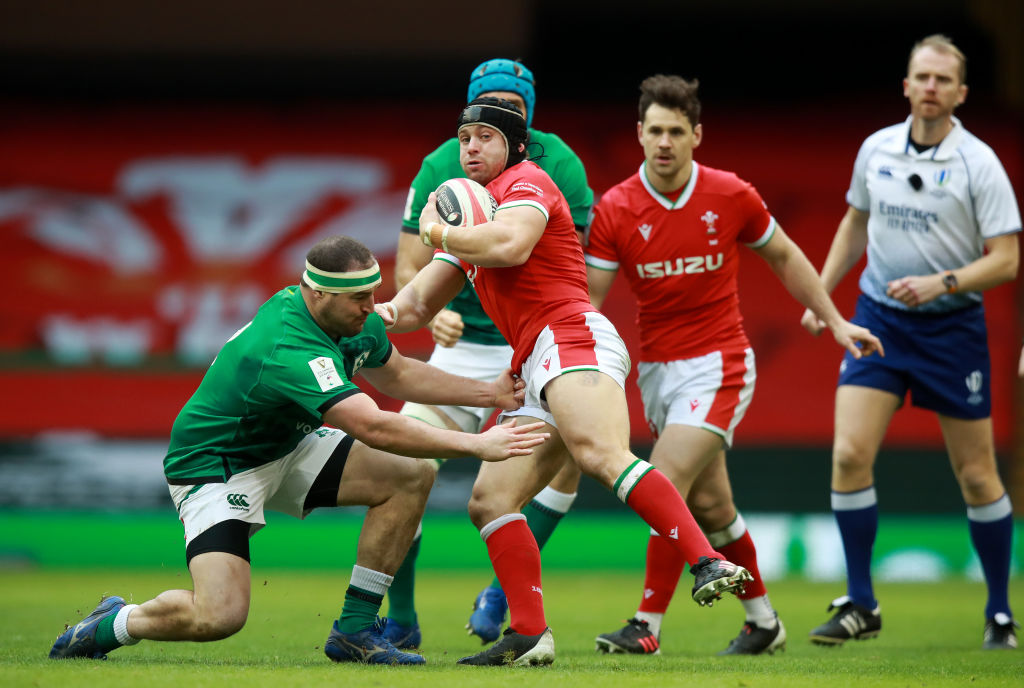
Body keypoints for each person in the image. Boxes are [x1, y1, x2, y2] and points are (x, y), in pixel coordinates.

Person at [48, 235, 549, 666]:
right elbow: (375, 426)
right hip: (217, 465)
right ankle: (115, 622)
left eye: (373, 292)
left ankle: (354, 631)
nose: (370, 307)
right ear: (314, 293)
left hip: (288, 443)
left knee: (410, 476)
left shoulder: (354, 313)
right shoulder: (288, 346)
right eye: (357, 298)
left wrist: (488, 394)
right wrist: (479, 443)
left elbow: (396, 373)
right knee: (218, 617)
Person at [378, 96, 755, 667]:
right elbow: (411, 308)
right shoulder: (472, 218)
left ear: (514, 146)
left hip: (571, 336)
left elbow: (510, 245)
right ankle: (530, 634)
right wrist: (355, 314)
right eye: (465, 138)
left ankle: (707, 561)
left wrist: (434, 230)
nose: (471, 147)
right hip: (536, 360)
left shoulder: (527, 183)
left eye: (485, 136)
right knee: (491, 499)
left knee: (600, 454)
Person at [583, 75, 883, 656]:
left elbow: (785, 255)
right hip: (658, 372)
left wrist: (836, 319)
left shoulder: (731, 194)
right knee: (713, 508)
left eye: (676, 131)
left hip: (720, 363)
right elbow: (590, 299)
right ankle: (765, 622)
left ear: (697, 135)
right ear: (638, 135)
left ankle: (646, 626)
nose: (665, 142)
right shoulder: (616, 208)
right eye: (655, 131)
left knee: (661, 481)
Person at [800, 34, 1020, 650]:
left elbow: (1006, 260)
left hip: (953, 329)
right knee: (847, 455)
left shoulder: (979, 162)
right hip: (880, 321)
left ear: (960, 94)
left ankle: (1000, 612)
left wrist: (942, 282)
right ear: (906, 86)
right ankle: (861, 604)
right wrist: (821, 298)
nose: (930, 88)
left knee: (976, 475)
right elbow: (855, 222)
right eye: (921, 77)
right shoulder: (877, 150)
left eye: (942, 80)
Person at [387, 58, 592, 649]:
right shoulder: (442, 163)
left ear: (529, 115)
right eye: (491, 104)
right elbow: (409, 264)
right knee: (403, 469)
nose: (505, 112)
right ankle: (399, 617)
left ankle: (505, 597)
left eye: (516, 105)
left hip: (532, 347)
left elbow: (573, 265)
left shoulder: (562, 166)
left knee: (571, 460)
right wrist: (438, 309)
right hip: (462, 354)